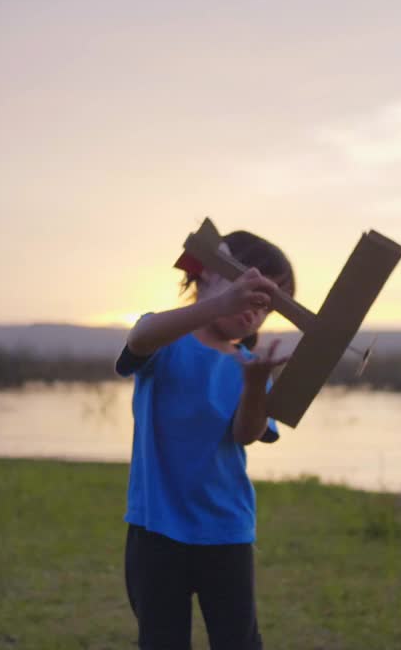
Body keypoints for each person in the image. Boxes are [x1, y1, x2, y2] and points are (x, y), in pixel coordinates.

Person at [115, 230, 296, 650]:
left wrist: (255, 386)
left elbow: (245, 434)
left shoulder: (251, 365)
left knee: (238, 641)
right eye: (251, 292)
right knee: (162, 640)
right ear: (209, 274)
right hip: (156, 527)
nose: (256, 310)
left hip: (227, 529)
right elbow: (139, 337)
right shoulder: (167, 343)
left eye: (268, 306)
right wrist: (219, 304)